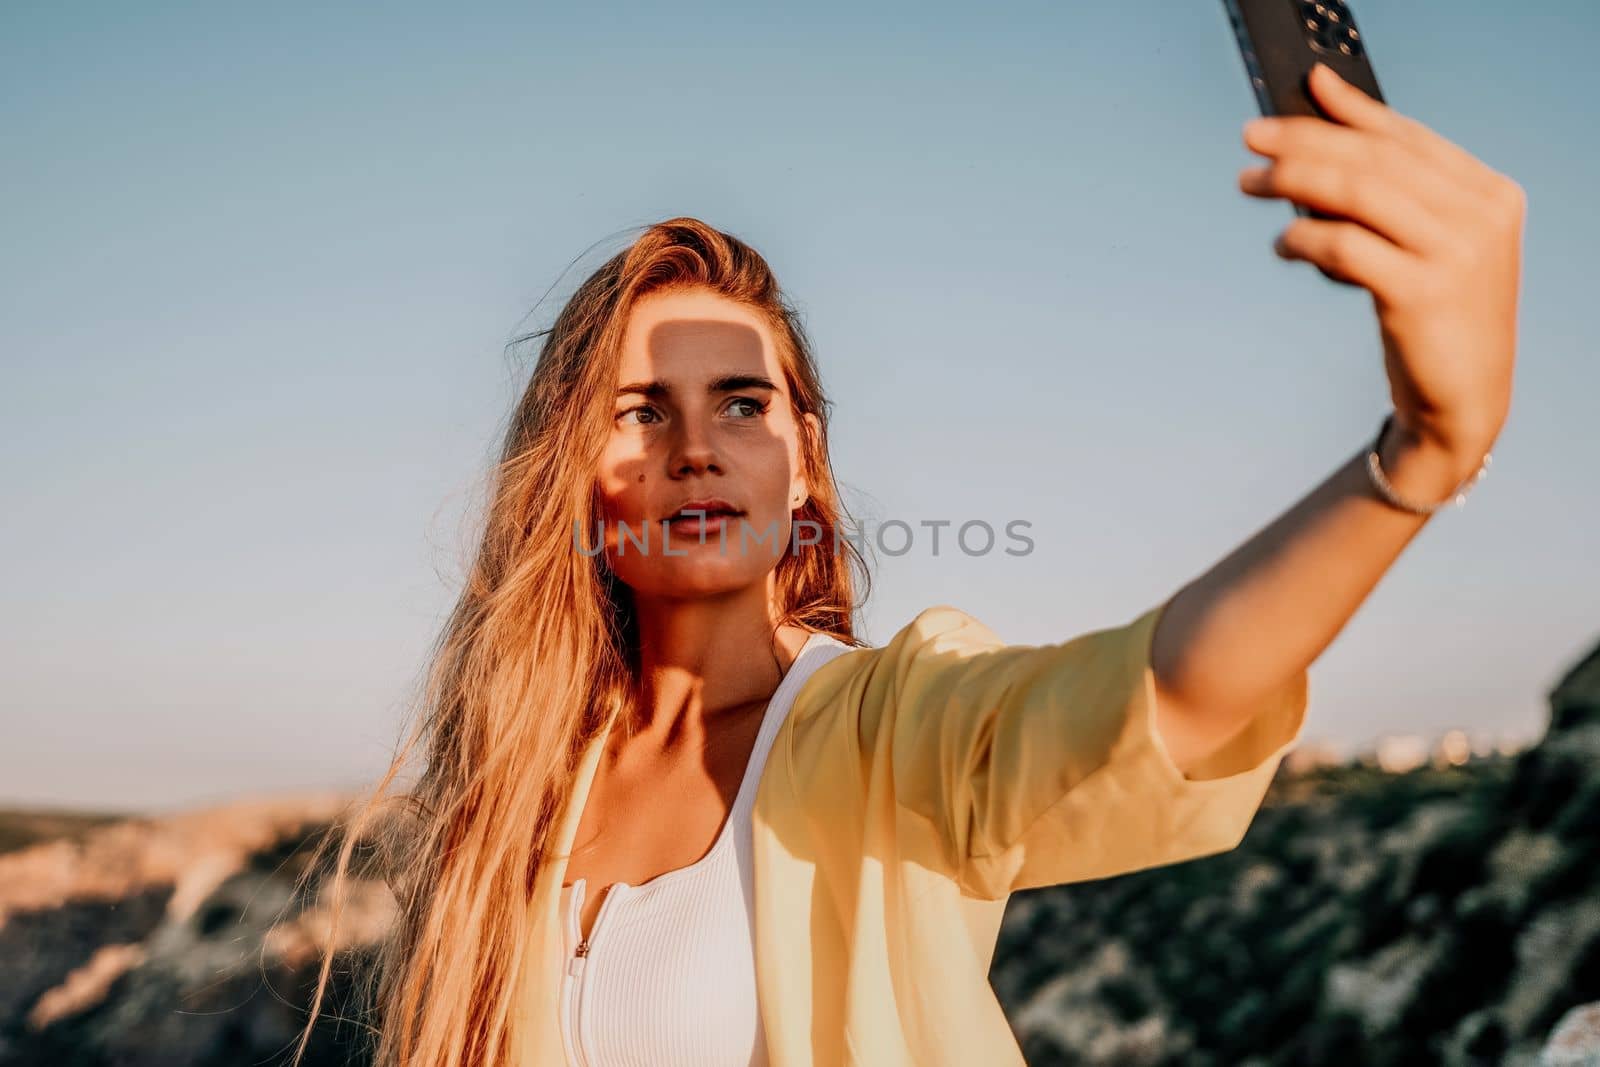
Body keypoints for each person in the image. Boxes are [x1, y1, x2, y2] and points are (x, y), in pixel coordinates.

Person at [289, 63, 1523, 1067]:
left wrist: (1417, 453)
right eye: (637, 411)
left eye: (741, 404)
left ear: (805, 459)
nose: (696, 450)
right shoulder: (517, 782)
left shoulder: (890, 725)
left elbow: (1168, 693)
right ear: (569, 466)